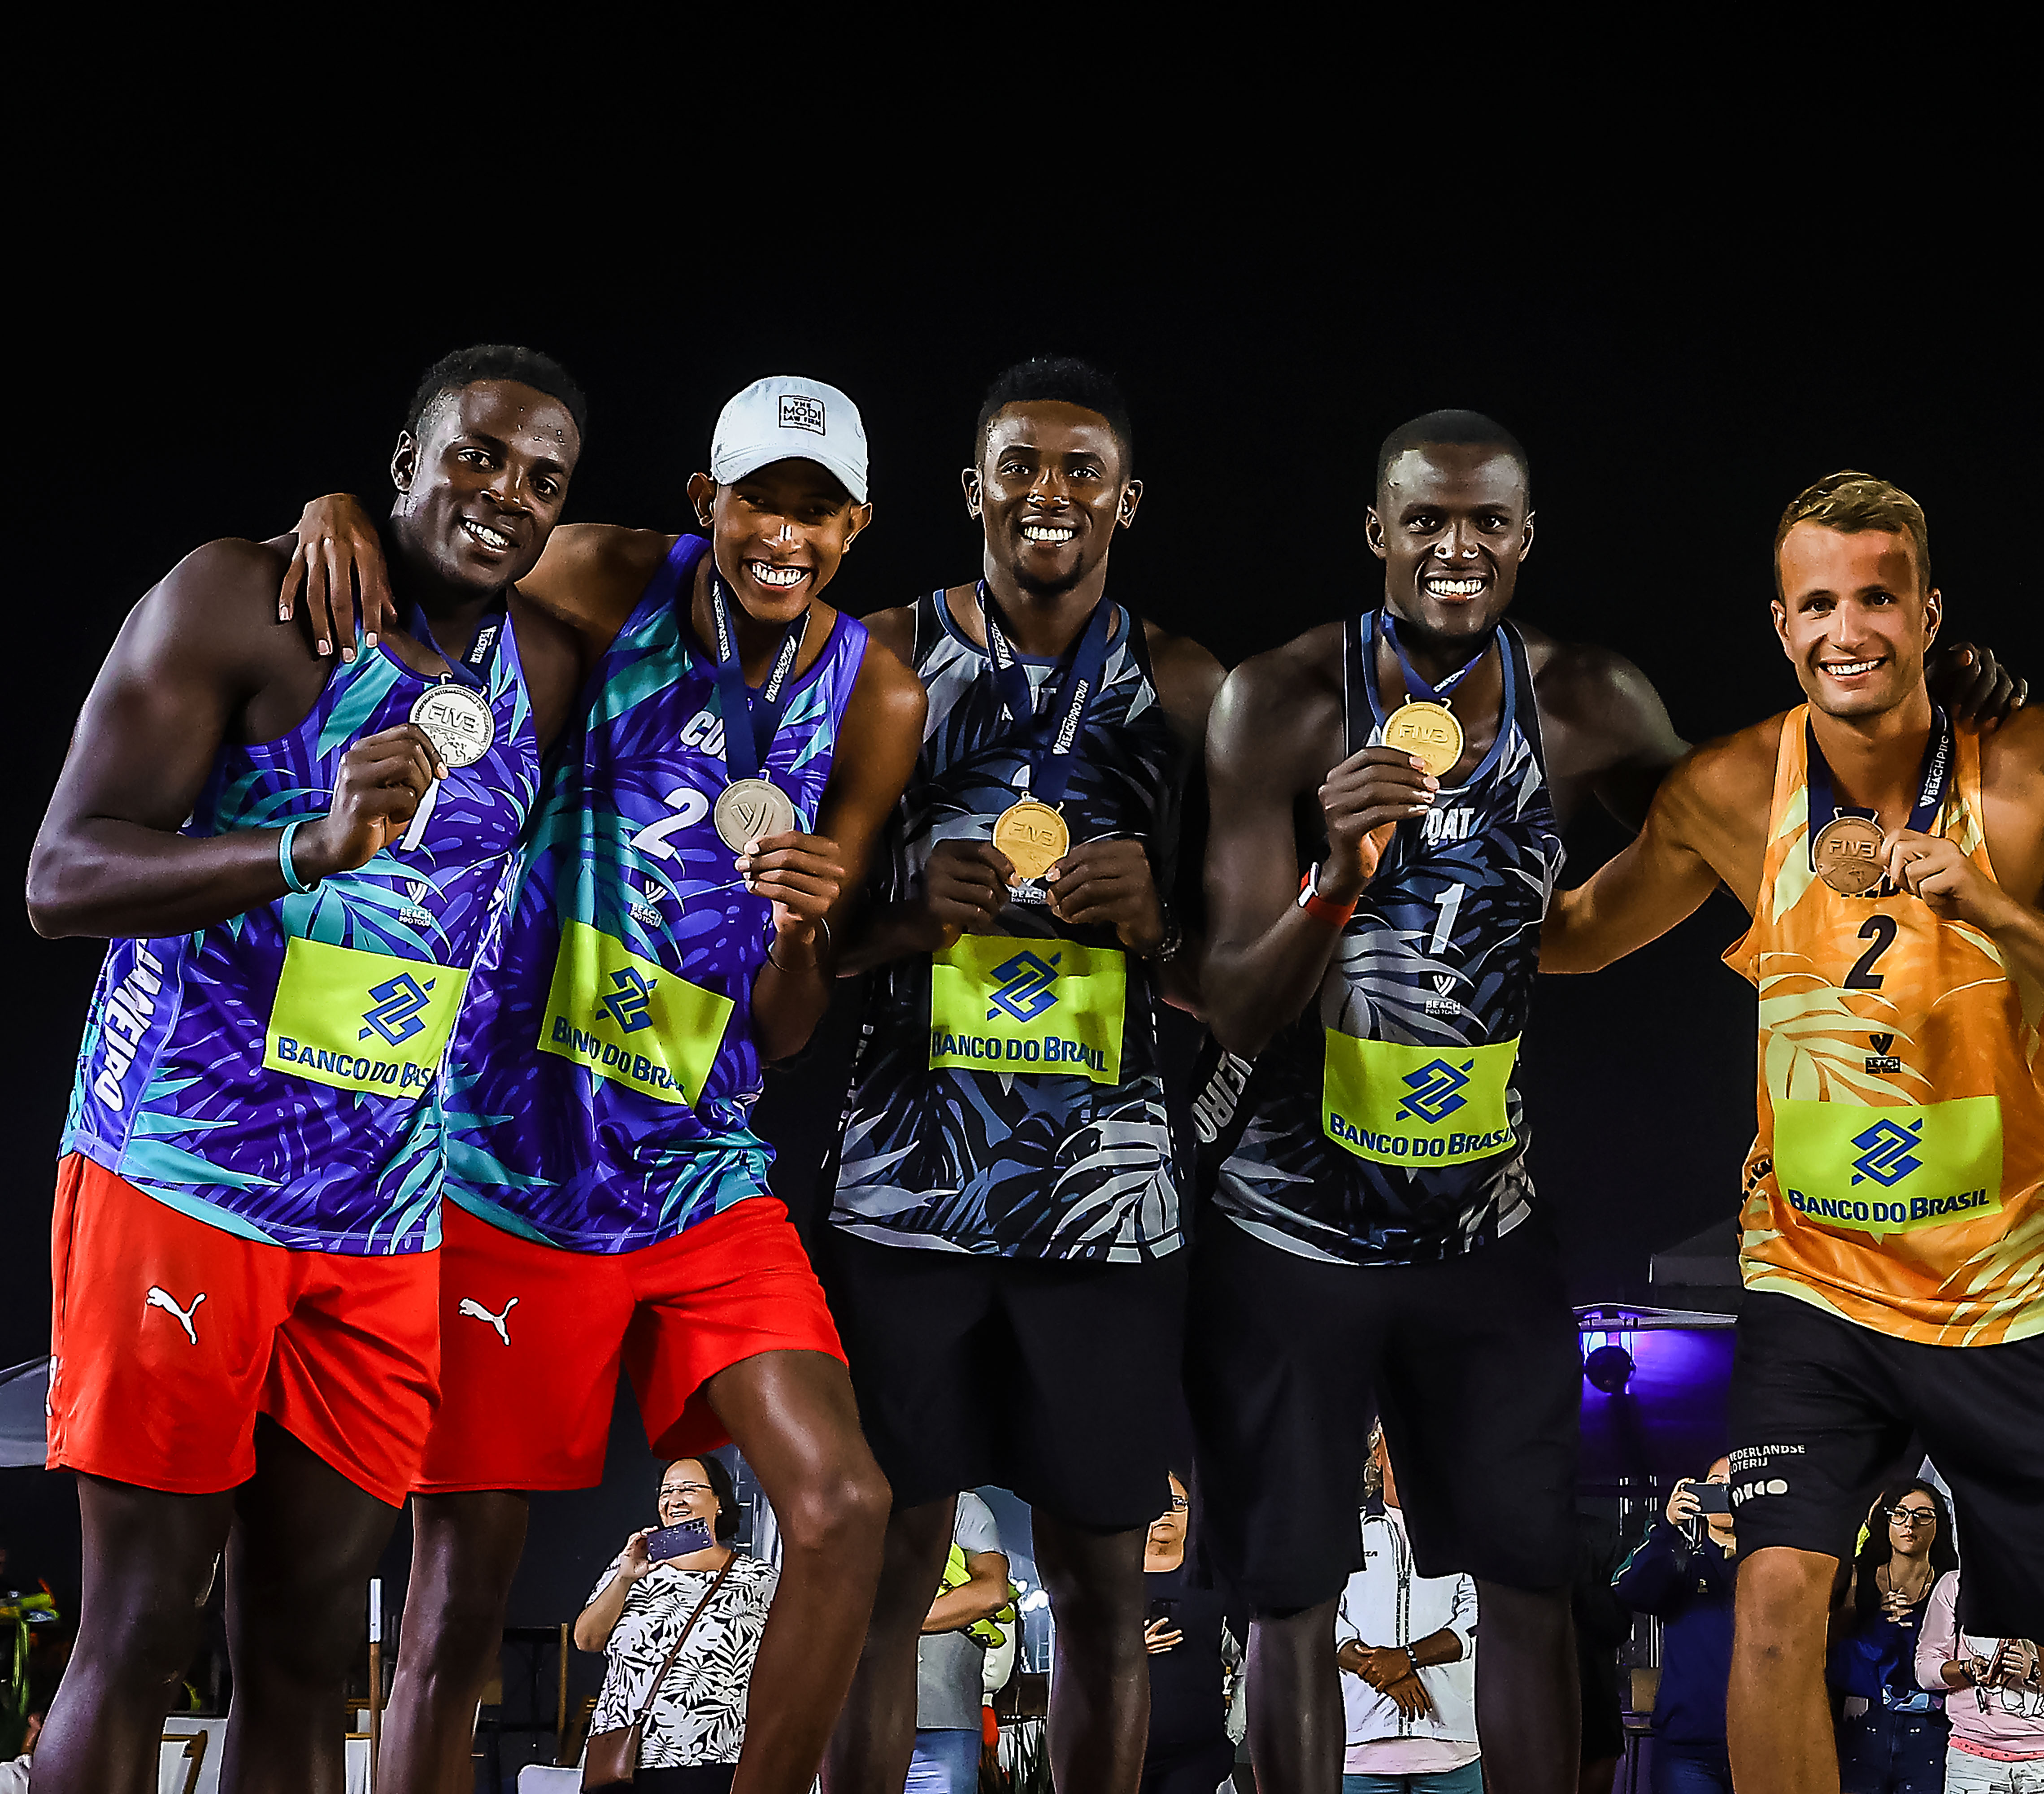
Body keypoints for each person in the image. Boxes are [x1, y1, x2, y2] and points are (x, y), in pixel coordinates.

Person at [287, 374, 919, 1794]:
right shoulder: (608, 572)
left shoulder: (876, 691)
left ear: (857, 526)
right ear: (709, 502)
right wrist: (334, 517)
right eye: (761, 499)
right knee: (458, 1594)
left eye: (819, 514)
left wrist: (809, 925)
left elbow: (791, 1023)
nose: (786, 535)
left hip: (695, 1163)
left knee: (839, 1500)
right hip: (513, 1154)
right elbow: (438, 575)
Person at [1540, 470, 2044, 1794]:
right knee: (1773, 1600)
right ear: (1779, 625)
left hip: (2013, 1287)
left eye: (1876, 596)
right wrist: (1404, 868)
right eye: (1816, 601)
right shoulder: (1729, 787)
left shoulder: (2042, 762)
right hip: (1811, 1278)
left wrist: (1987, 906)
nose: (1848, 628)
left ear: (1926, 610)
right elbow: (1579, 938)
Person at [26, 346, 582, 1790]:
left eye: (542, 479)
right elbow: (61, 873)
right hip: (181, 1180)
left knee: (312, 1640)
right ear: (406, 455)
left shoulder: (544, 661)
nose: (504, 495)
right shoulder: (244, 599)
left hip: (380, 1221)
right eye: (476, 454)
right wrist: (301, 848)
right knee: (141, 1624)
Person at [1186, 407, 1686, 1794]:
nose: (1454, 550)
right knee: (1288, 1597)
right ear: (1376, 534)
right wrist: (1333, 872)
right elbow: (1228, 997)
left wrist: (1579, 929)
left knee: (1530, 1580)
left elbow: (1721, 838)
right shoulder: (1277, 700)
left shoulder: (1586, 698)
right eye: (1424, 522)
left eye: (1483, 524)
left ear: (1525, 537)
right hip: (1290, 1231)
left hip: (1484, 1226)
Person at [820, 358, 1224, 1794]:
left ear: (1125, 496)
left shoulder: (1183, 683)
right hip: (907, 1200)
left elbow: (1232, 965)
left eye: (1079, 468)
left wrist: (1157, 924)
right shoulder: (875, 655)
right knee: (876, 1589)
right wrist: (904, 915)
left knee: (1104, 1597)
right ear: (972, 487)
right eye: (1019, 464)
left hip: (1103, 1217)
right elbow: (812, 927)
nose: (1048, 491)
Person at [576, 1457, 780, 1790]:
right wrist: (625, 1578)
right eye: (666, 1491)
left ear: (719, 1502)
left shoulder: (757, 1579)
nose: (675, 1499)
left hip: (714, 1756)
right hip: (623, 1757)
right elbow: (587, 1639)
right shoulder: (631, 1566)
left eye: (688, 1489)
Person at [1339, 1433, 1481, 1794]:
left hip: (1453, 1749)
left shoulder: (1464, 1532)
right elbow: (1325, 1622)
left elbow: (1478, 1615)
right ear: (1377, 1452)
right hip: (1359, 1751)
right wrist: (1387, 1673)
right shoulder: (1346, 1532)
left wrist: (1407, 1658)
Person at [1611, 1460, 1743, 1794]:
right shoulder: (1682, 1561)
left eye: (1735, 1485)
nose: (1724, 1494)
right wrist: (1667, 1526)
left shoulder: (1773, 1567)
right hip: (1688, 1747)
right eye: (1715, 1485)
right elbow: (1627, 1589)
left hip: (1764, 1742)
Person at [1827, 1483, 1954, 1794]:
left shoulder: (1951, 1583)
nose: (1909, 1525)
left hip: (1930, 1729)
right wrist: (1879, 1624)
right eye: (1900, 1514)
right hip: (1863, 1722)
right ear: (1885, 1521)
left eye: (1923, 1516)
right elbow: (1831, 1655)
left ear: (1940, 1524)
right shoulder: (1858, 1577)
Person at [1917, 1558, 2044, 1794]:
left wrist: (2035, 1670)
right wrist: (1967, 1670)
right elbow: (1925, 1670)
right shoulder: (1956, 1585)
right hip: (1973, 1761)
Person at [1144, 1473, 1241, 1794]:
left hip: (1197, 1755)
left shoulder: (1215, 1580)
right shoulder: (1112, 1581)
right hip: (1121, 1752)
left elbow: (1247, 1661)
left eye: (1178, 1502)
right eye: (1158, 1500)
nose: (1168, 1510)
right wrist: (1126, 1649)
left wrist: (1234, 1731)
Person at [914, 1493, 1014, 1794]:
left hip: (942, 1719)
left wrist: (892, 1622)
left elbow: (992, 1593)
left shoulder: (960, 1507)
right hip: (854, 1714)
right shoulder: (851, 1494)